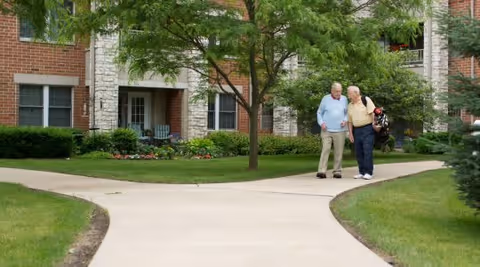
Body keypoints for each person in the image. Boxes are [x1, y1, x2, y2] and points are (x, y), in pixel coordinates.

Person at [346, 86, 381, 180]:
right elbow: (349, 121)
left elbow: (373, 113)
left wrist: (375, 124)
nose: (348, 95)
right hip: (356, 130)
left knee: (367, 150)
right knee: (358, 152)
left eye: (349, 93)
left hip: (367, 128)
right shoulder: (350, 105)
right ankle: (361, 172)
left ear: (356, 93)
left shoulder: (366, 100)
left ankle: (368, 172)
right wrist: (350, 133)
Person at [316, 82, 348, 179]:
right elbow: (319, 113)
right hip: (327, 130)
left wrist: (345, 120)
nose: (339, 93)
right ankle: (322, 171)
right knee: (326, 149)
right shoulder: (325, 99)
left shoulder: (344, 99)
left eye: (340, 91)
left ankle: (337, 171)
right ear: (332, 91)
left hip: (340, 130)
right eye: (337, 91)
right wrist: (321, 123)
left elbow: (347, 113)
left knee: (339, 151)